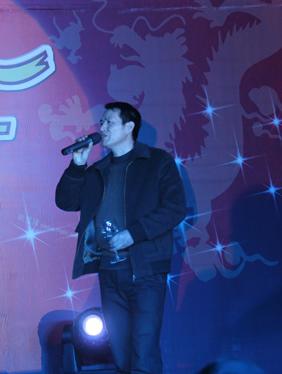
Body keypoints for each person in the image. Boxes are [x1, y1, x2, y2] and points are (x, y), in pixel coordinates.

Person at [55, 102, 187, 373]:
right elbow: (66, 202)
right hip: (110, 272)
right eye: (101, 122)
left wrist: (133, 234)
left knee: (144, 350)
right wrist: (77, 166)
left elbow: (175, 208)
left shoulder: (156, 162)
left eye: (109, 122)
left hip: (145, 272)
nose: (102, 127)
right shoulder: (97, 170)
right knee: (121, 352)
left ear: (129, 127)